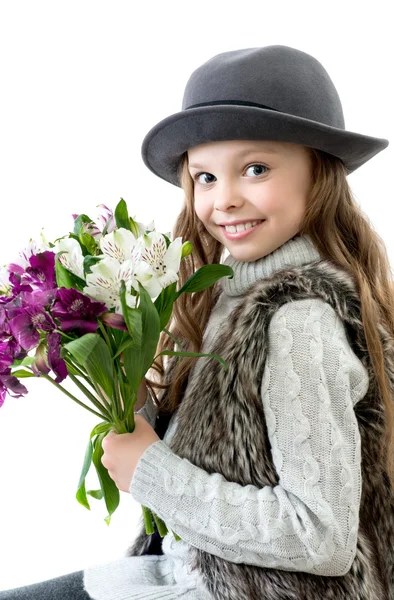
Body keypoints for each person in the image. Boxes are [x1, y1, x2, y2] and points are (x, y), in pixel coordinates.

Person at [1, 44, 393, 600]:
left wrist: (151, 472)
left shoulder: (298, 320)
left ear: (320, 172)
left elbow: (320, 538)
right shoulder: (223, 290)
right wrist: (120, 377)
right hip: (196, 572)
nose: (225, 199)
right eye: (205, 177)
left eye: (255, 169)